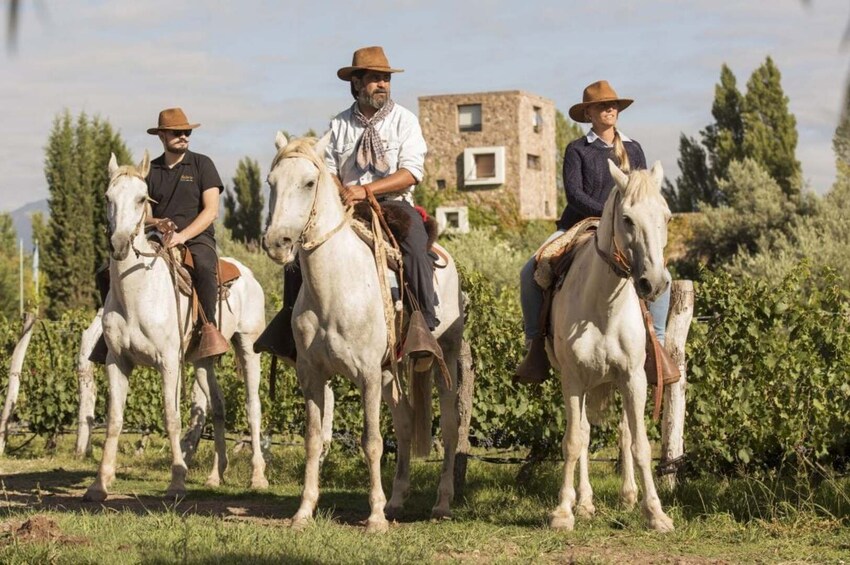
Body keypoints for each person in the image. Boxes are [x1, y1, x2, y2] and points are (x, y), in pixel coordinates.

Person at [515, 80, 671, 383]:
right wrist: (608, 215)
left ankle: (657, 347)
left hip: (626, 228)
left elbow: (642, 194)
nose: (609, 109)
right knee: (529, 271)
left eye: (613, 105)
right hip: (578, 224)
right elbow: (574, 194)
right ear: (589, 113)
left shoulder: (634, 148)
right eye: (602, 105)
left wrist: (625, 219)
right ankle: (535, 347)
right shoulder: (577, 150)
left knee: (661, 273)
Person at [324, 46, 437, 330]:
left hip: (394, 204)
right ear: (357, 83)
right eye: (376, 78)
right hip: (348, 207)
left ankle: (423, 324)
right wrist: (342, 191)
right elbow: (328, 170)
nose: (383, 84)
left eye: (386, 78)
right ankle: (290, 329)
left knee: (415, 247)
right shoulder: (338, 124)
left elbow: (411, 172)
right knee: (305, 250)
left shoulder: (405, 120)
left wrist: (366, 190)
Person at [145, 107, 229, 360]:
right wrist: (155, 221)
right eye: (177, 132)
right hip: (157, 238)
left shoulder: (202, 164)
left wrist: (183, 236)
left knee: (204, 265)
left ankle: (208, 328)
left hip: (197, 237)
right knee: (111, 269)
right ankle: (111, 331)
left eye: (187, 132)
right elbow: (145, 213)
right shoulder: (150, 170)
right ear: (162, 136)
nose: (184, 136)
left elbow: (212, 210)